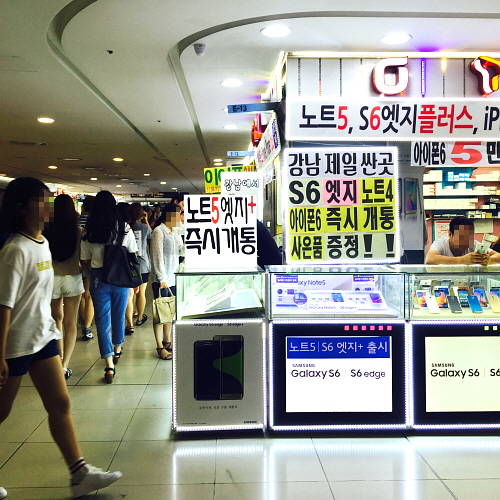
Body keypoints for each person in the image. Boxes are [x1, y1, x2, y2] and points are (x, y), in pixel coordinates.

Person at [0, 178, 122, 498]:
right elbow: (4, 305)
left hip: (42, 338)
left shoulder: (42, 243)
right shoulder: (15, 250)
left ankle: (79, 473)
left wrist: (50, 329)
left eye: (49, 200)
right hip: (15, 344)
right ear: (22, 207)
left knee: (60, 403)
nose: (48, 206)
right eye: (41, 200)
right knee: (2, 410)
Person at [81, 192, 138, 383]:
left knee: (102, 321)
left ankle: (109, 364)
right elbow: (133, 253)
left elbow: (84, 259)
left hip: (98, 278)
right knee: (119, 315)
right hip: (120, 277)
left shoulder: (89, 230)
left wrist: (91, 274)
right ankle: (118, 348)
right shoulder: (124, 227)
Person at [44, 194, 84, 380]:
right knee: (71, 322)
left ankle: (58, 357)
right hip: (72, 278)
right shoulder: (78, 231)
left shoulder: (47, 230)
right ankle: (64, 365)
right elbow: (82, 257)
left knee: (56, 320)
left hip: (52, 279)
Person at [151, 203, 181, 360]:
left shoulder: (174, 232)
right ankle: (159, 346)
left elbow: (181, 250)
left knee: (170, 312)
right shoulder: (159, 231)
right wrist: (162, 278)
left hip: (173, 278)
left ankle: (167, 341)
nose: (180, 217)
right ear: (169, 215)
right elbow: (157, 256)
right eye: (178, 214)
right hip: (162, 280)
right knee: (160, 314)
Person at [425, 216, 500, 265]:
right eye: (461, 237)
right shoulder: (440, 243)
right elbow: (429, 259)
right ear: (450, 234)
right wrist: (462, 260)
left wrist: (489, 260)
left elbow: (498, 256)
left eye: (469, 237)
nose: (466, 242)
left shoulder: (473, 244)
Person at [129, 202, 152, 326]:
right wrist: (146, 221)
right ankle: (139, 318)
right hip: (143, 264)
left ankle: (131, 316)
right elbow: (151, 237)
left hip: (129, 264)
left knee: (131, 293)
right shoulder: (144, 227)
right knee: (141, 292)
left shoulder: (126, 226)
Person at [117, 203, 136, 336]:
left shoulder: (107, 227)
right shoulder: (127, 228)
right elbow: (133, 251)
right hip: (124, 269)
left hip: (108, 270)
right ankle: (129, 324)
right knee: (128, 296)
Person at [79, 196, 95, 341]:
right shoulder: (94, 223)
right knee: (88, 294)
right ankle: (87, 327)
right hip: (89, 261)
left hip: (75, 262)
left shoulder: (76, 221)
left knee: (81, 295)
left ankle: (83, 320)